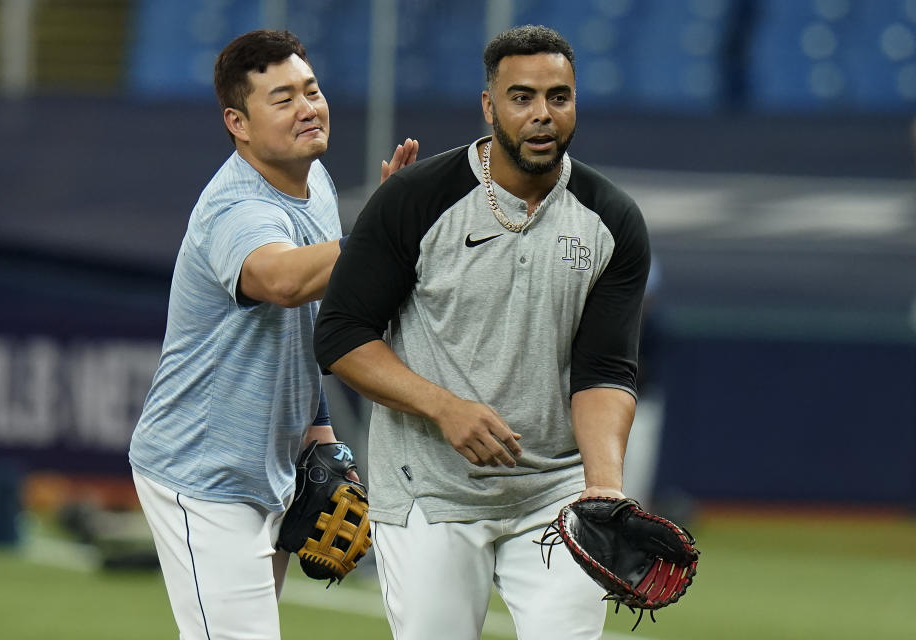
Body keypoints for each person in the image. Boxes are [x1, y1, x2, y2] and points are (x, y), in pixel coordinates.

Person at [313, 25, 650, 640]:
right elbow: (340, 336)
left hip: (554, 493)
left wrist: (603, 490)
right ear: (489, 106)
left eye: (559, 97)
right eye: (522, 97)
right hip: (431, 492)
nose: (542, 114)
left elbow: (605, 371)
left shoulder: (611, 220)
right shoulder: (415, 199)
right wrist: (445, 409)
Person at [128, 29, 417, 640]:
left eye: (311, 90)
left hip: (270, 468)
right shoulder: (235, 207)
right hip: (202, 473)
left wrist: (320, 435)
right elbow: (280, 281)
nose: (307, 108)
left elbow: (304, 322)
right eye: (282, 99)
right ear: (238, 121)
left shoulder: (316, 187)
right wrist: (380, 235)